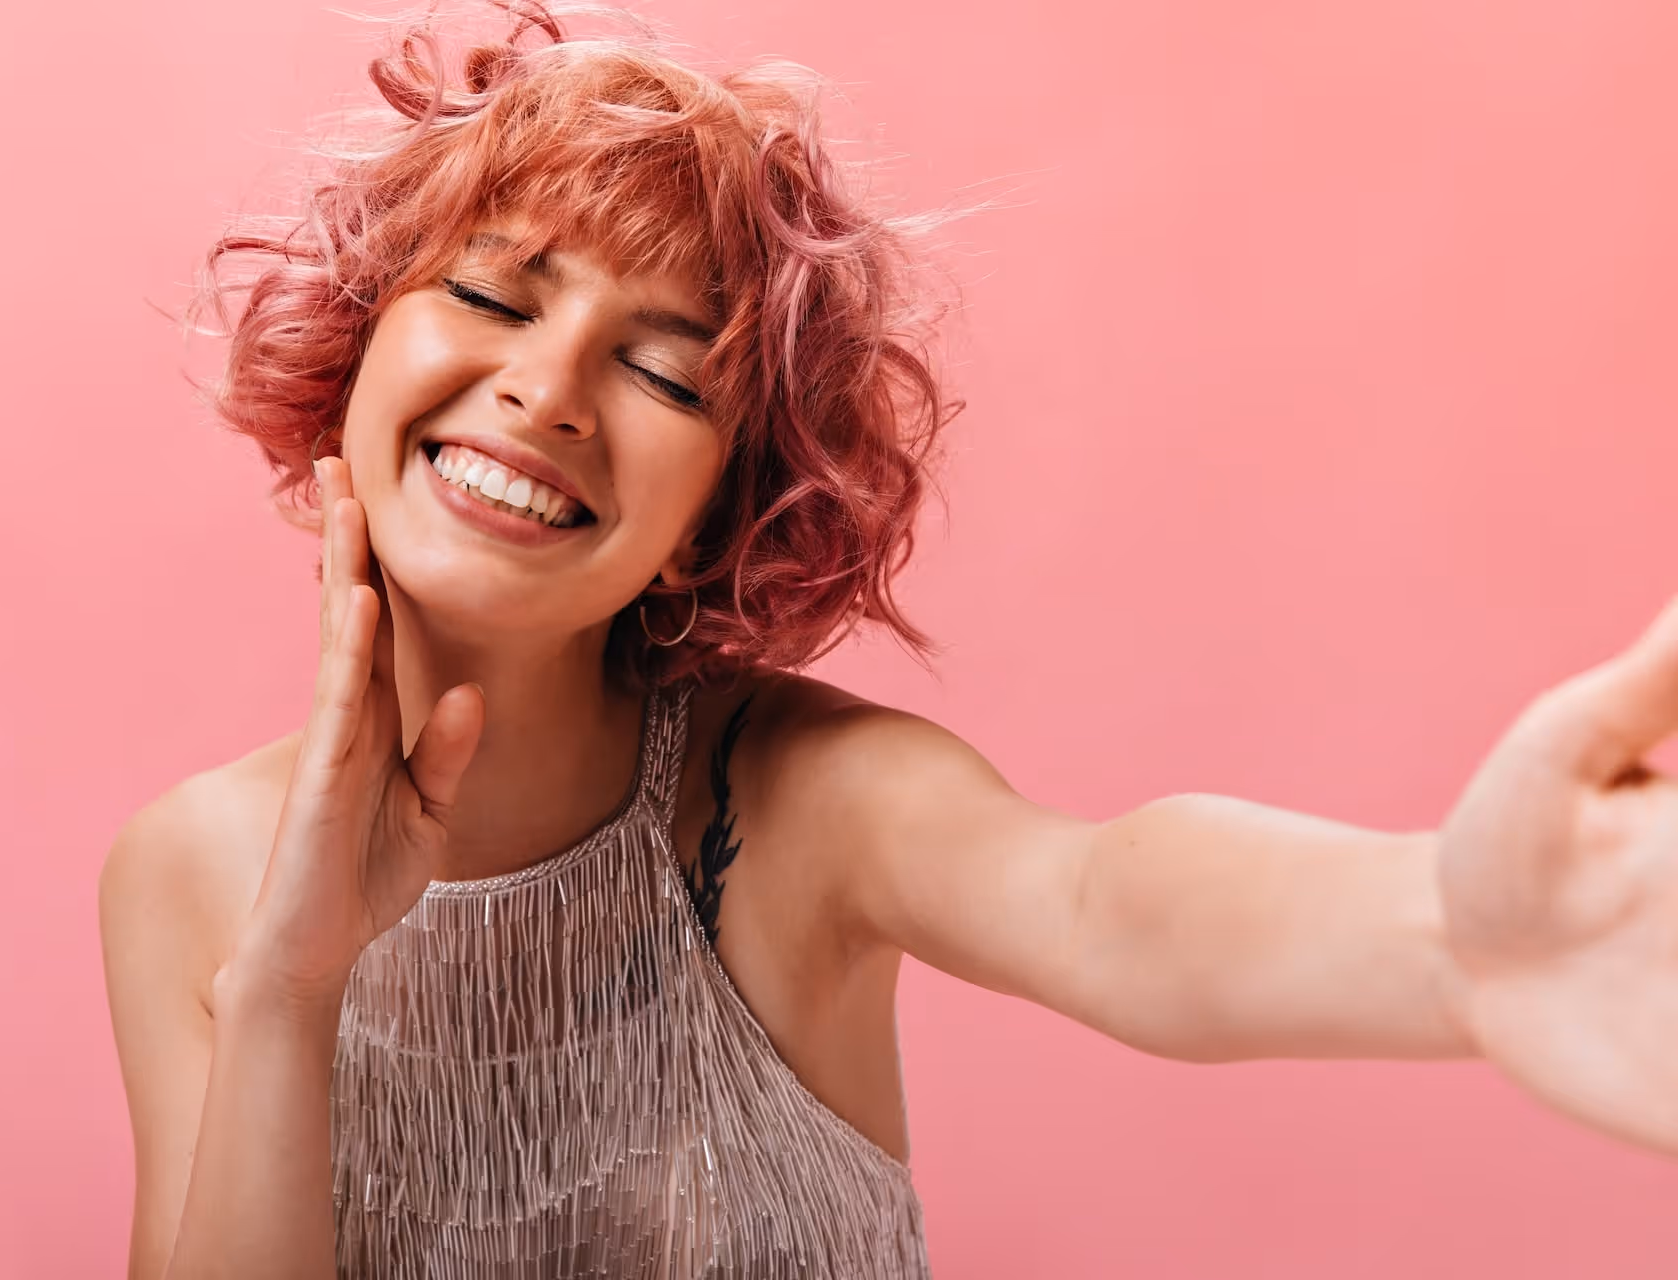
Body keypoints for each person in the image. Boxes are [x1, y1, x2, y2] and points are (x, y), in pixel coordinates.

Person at [98, 3, 1678, 1276]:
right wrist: (292, 988)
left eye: (665, 374)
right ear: (362, 338)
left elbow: (1107, 900)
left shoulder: (786, 802)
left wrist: (1444, 940)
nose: (550, 391)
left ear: (726, 506)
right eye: (499, 297)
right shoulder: (184, 872)